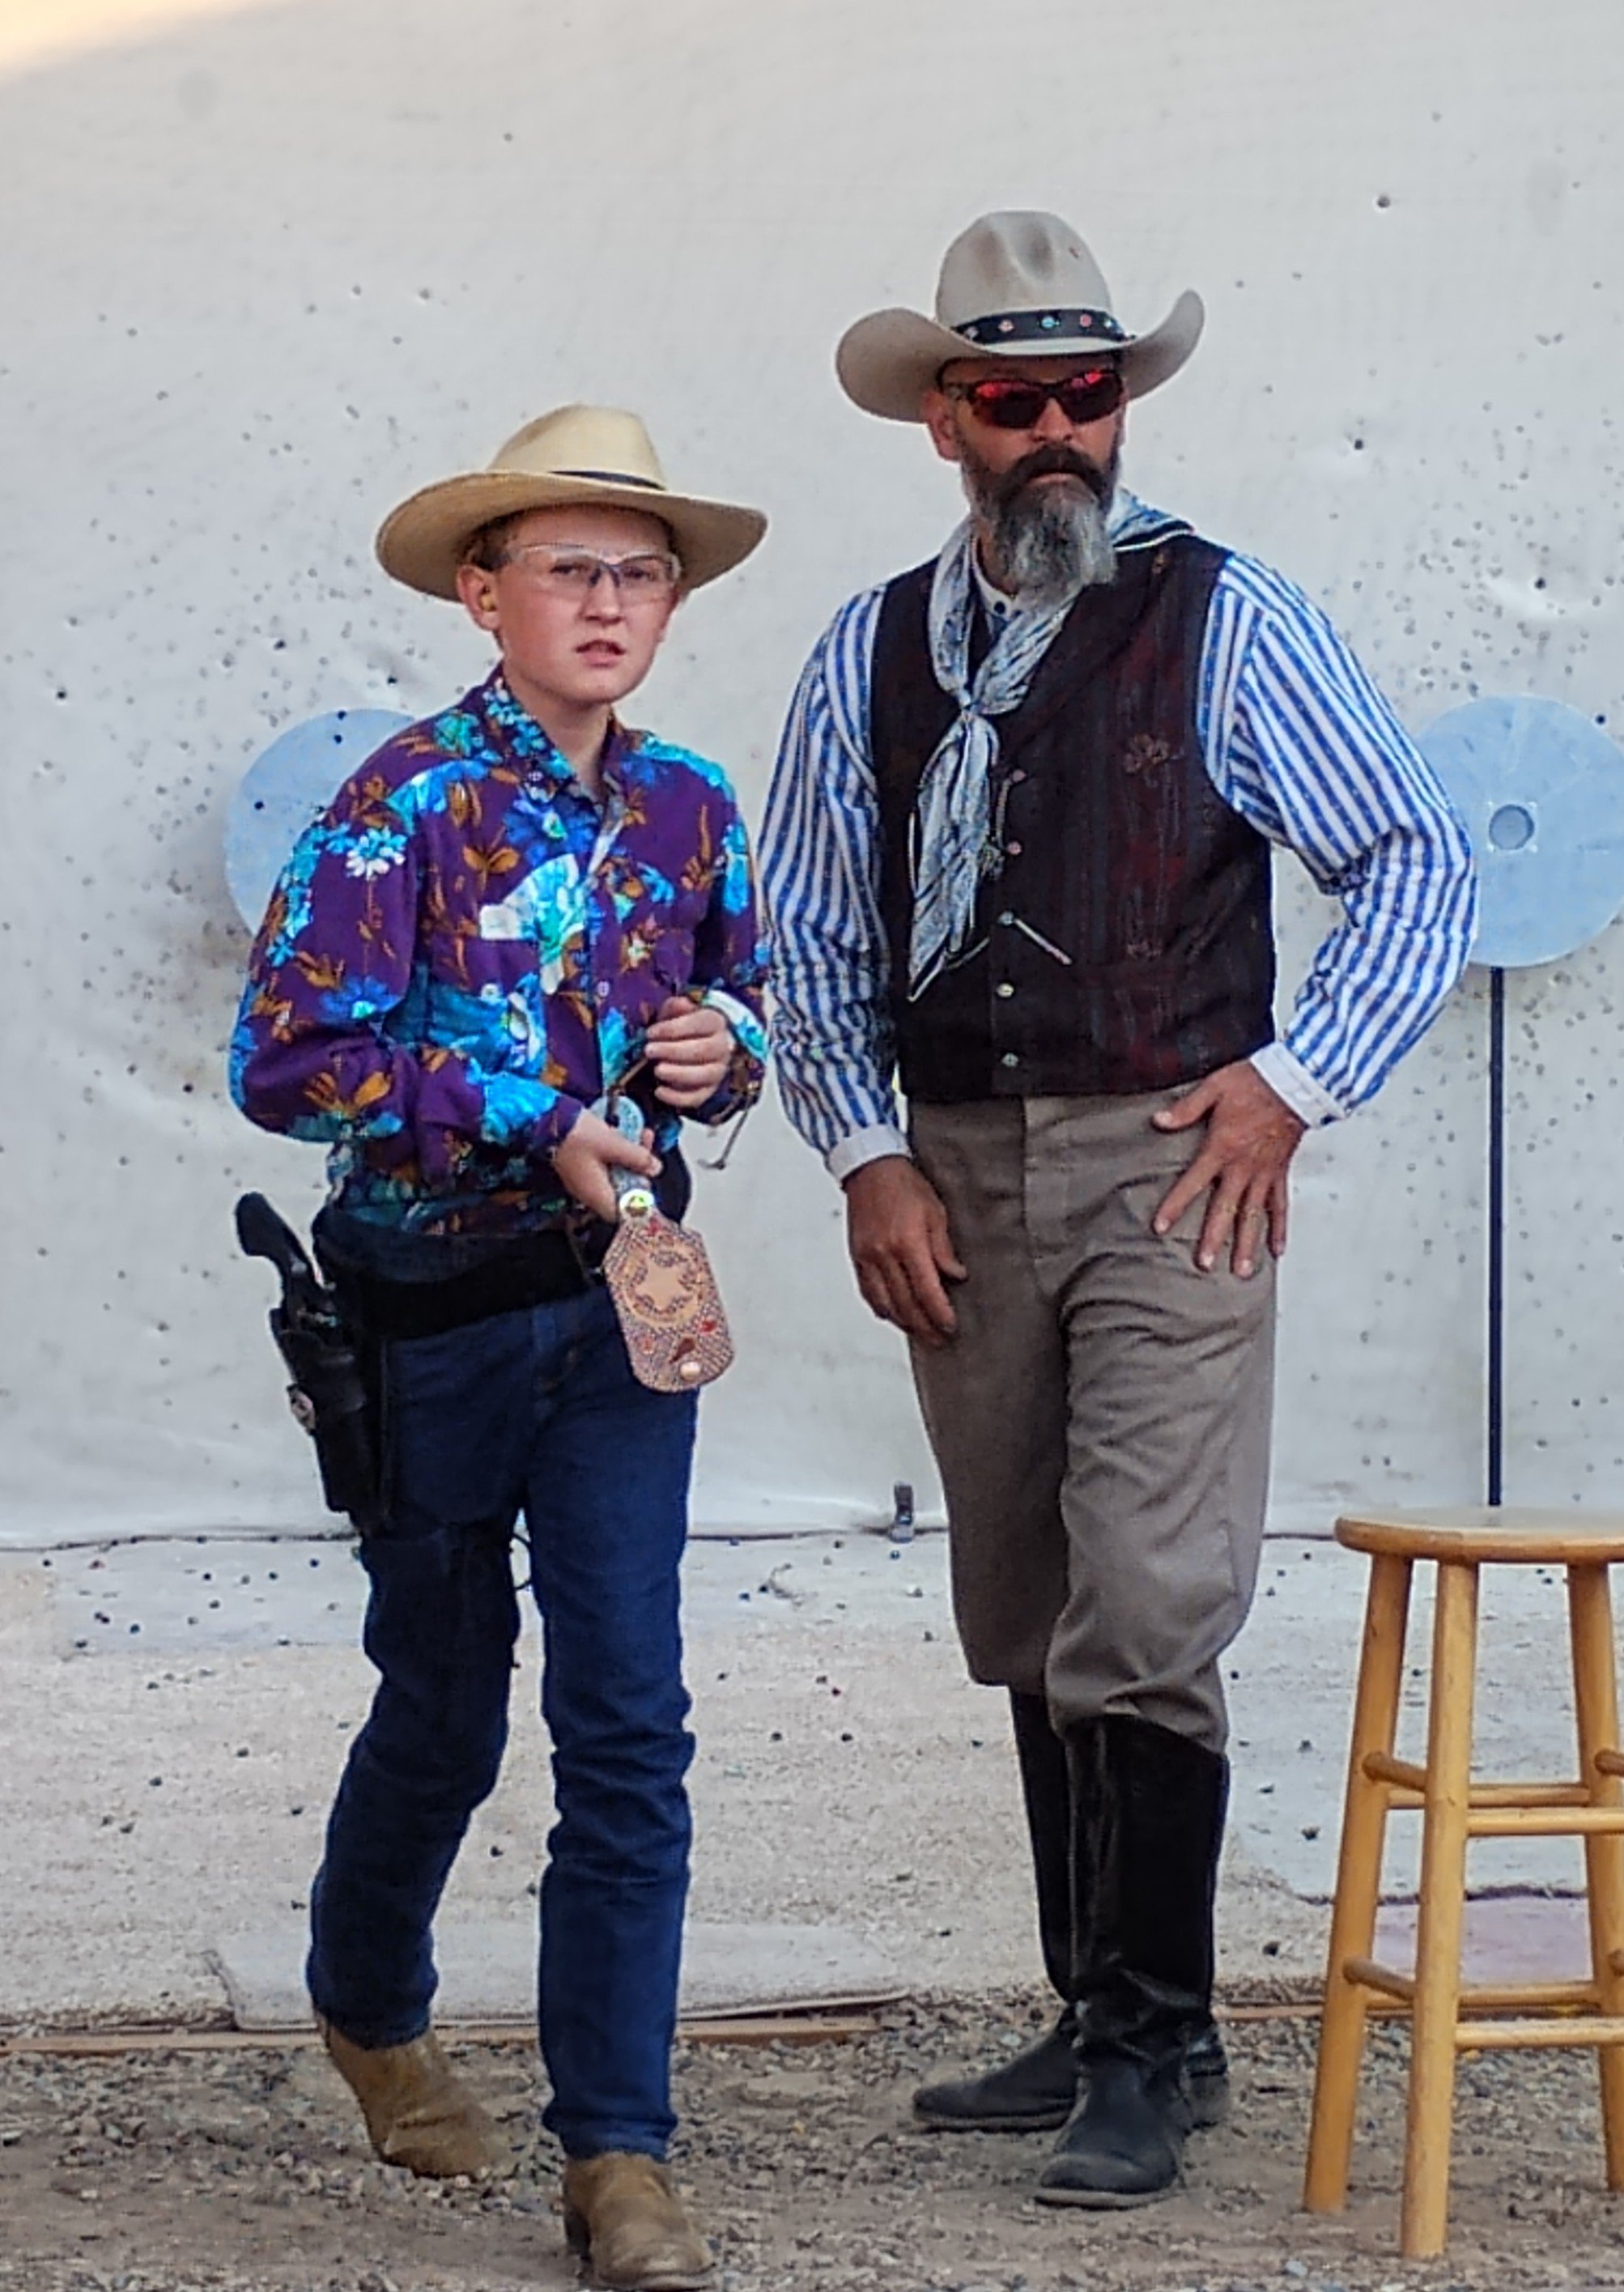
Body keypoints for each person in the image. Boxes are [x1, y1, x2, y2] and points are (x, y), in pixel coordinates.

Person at [761, 212, 1476, 2209]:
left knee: (1150, 1601)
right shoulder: (863, 650)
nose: (1062, 429)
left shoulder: (1227, 616)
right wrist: (861, 1150)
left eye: (1092, 394)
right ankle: (1093, 2007)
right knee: (1019, 1598)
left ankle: (1160, 2046)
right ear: (944, 422)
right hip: (956, 1172)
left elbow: (1413, 859)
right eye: (1016, 399)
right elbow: (806, 936)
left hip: (1172, 1159)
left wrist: (1289, 1083)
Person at [231, 403, 770, 2290]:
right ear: (487, 594)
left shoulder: (693, 805)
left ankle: (618, 2154)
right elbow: (285, 1067)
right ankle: (370, 2004)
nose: (611, 602)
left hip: (618, 1323)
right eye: (572, 569)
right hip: (426, 1324)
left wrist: (729, 1057)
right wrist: (525, 1108)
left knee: (628, 1719)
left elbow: (742, 1008)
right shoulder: (397, 804)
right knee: (449, 1703)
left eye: (642, 574)